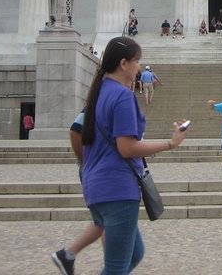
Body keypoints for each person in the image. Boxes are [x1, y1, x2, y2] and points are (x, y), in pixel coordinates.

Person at [75, 36, 188, 274]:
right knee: (116, 269)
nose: (139, 67)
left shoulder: (97, 94)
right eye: (137, 61)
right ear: (124, 64)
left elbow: (77, 133)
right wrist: (171, 142)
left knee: (135, 254)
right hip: (117, 187)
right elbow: (127, 148)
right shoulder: (122, 96)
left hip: (95, 185)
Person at [52, 109, 104, 275]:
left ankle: (68, 255)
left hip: (103, 172)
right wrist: (85, 161)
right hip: (99, 172)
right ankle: (114, 264)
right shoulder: (101, 99)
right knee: (108, 220)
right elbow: (76, 129)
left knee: (102, 221)